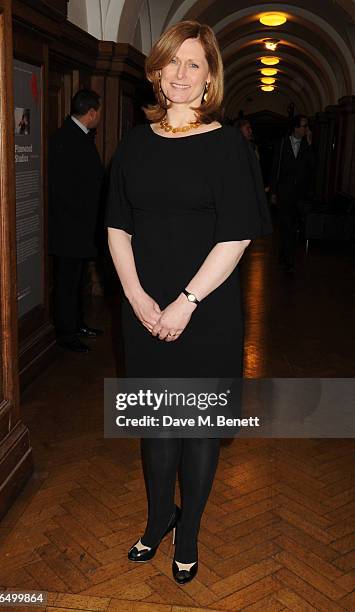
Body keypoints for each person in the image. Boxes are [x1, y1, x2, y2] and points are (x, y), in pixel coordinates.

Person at [106, 21, 271, 585]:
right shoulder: (132, 142)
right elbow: (116, 227)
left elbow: (237, 236)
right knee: (157, 426)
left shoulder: (227, 146)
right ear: (156, 72)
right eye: (172, 63)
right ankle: (157, 522)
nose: (180, 74)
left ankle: (189, 532)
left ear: (209, 79)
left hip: (206, 311)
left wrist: (184, 302)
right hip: (144, 308)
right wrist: (136, 297)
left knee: (196, 429)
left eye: (193, 64)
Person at [48, 89, 104, 353]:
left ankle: (78, 323)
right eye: (98, 112)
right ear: (91, 113)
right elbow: (63, 188)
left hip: (81, 226)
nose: (99, 117)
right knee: (66, 283)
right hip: (69, 227)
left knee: (78, 280)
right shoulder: (66, 137)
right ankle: (66, 333)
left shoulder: (79, 135)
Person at [269, 114, 315, 272]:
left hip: (299, 194)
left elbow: (312, 166)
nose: (306, 129)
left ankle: (285, 254)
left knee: (293, 226)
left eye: (307, 126)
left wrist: (309, 145)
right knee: (286, 225)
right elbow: (276, 168)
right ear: (295, 127)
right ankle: (289, 261)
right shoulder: (282, 144)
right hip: (284, 192)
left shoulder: (306, 145)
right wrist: (273, 191)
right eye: (304, 126)